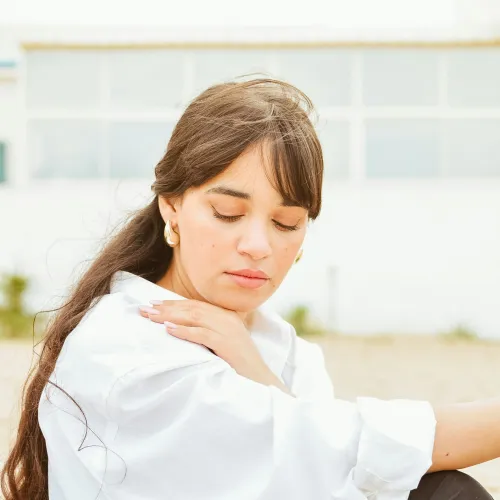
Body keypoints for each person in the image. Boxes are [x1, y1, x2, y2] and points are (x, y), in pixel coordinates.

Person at [1, 78, 498, 500]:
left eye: (287, 222)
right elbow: (330, 454)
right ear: (172, 207)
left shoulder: (280, 345)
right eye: (228, 214)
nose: (258, 245)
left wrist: (257, 369)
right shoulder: (125, 347)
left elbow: (318, 467)